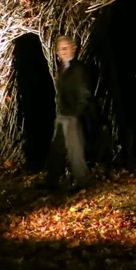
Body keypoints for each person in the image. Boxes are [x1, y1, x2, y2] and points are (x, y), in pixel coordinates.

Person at [45, 35, 94, 191]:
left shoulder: (78, 69)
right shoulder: (62, 68)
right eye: (60, 49)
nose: (63, 51)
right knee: (57, 148)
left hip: (72, 115)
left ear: (74, 48)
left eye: (66, 48)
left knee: (75, 150)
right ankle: (52, 180)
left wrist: (76, 114)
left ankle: (83, 182)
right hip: (62, 114)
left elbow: (84, 94)